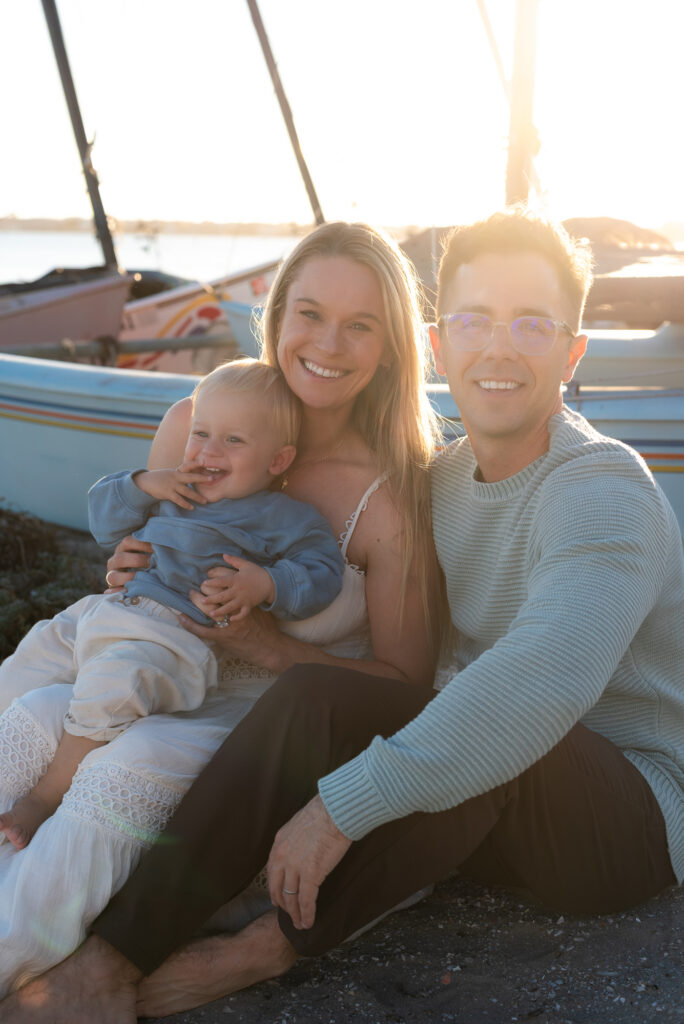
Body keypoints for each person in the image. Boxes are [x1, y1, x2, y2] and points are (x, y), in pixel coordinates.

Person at [9, 208, 682, 1024]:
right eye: (474, 320)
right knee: (322, 699)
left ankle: (236, 952)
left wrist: (341, 807)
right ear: (438, 346)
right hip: (477, 811)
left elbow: (537, 686)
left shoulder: (604, 489)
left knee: (483, 718)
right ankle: (116, 950)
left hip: (625, 817)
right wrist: (156, 555)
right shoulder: (443, 478)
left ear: (573, 352)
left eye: (532, 324)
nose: (498, 347)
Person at [0, 221, 440, 1003]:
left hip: (258, 720)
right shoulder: (198, 422)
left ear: (390, 345)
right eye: (309, 312)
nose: (328, 341)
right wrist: (127, 564)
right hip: (144, 657)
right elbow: (144, 529)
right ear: (274, 314)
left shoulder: (389, 493)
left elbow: (405, 683)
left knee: (122, 765)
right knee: (33, 710)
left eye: (361, 323)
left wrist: (268, 644)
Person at [0, 358, 345, 850]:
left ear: (278, 461)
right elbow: (101, 516)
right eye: (201, 433)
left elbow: (322, 572)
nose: (208, 451)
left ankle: (43, 799)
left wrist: (266, 584)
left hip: (171, 638)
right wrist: (145, 483)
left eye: (233, 440)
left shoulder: (282, 516)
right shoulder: (173, 486)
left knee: (111, 687)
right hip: (112, 608)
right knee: (34, 652)